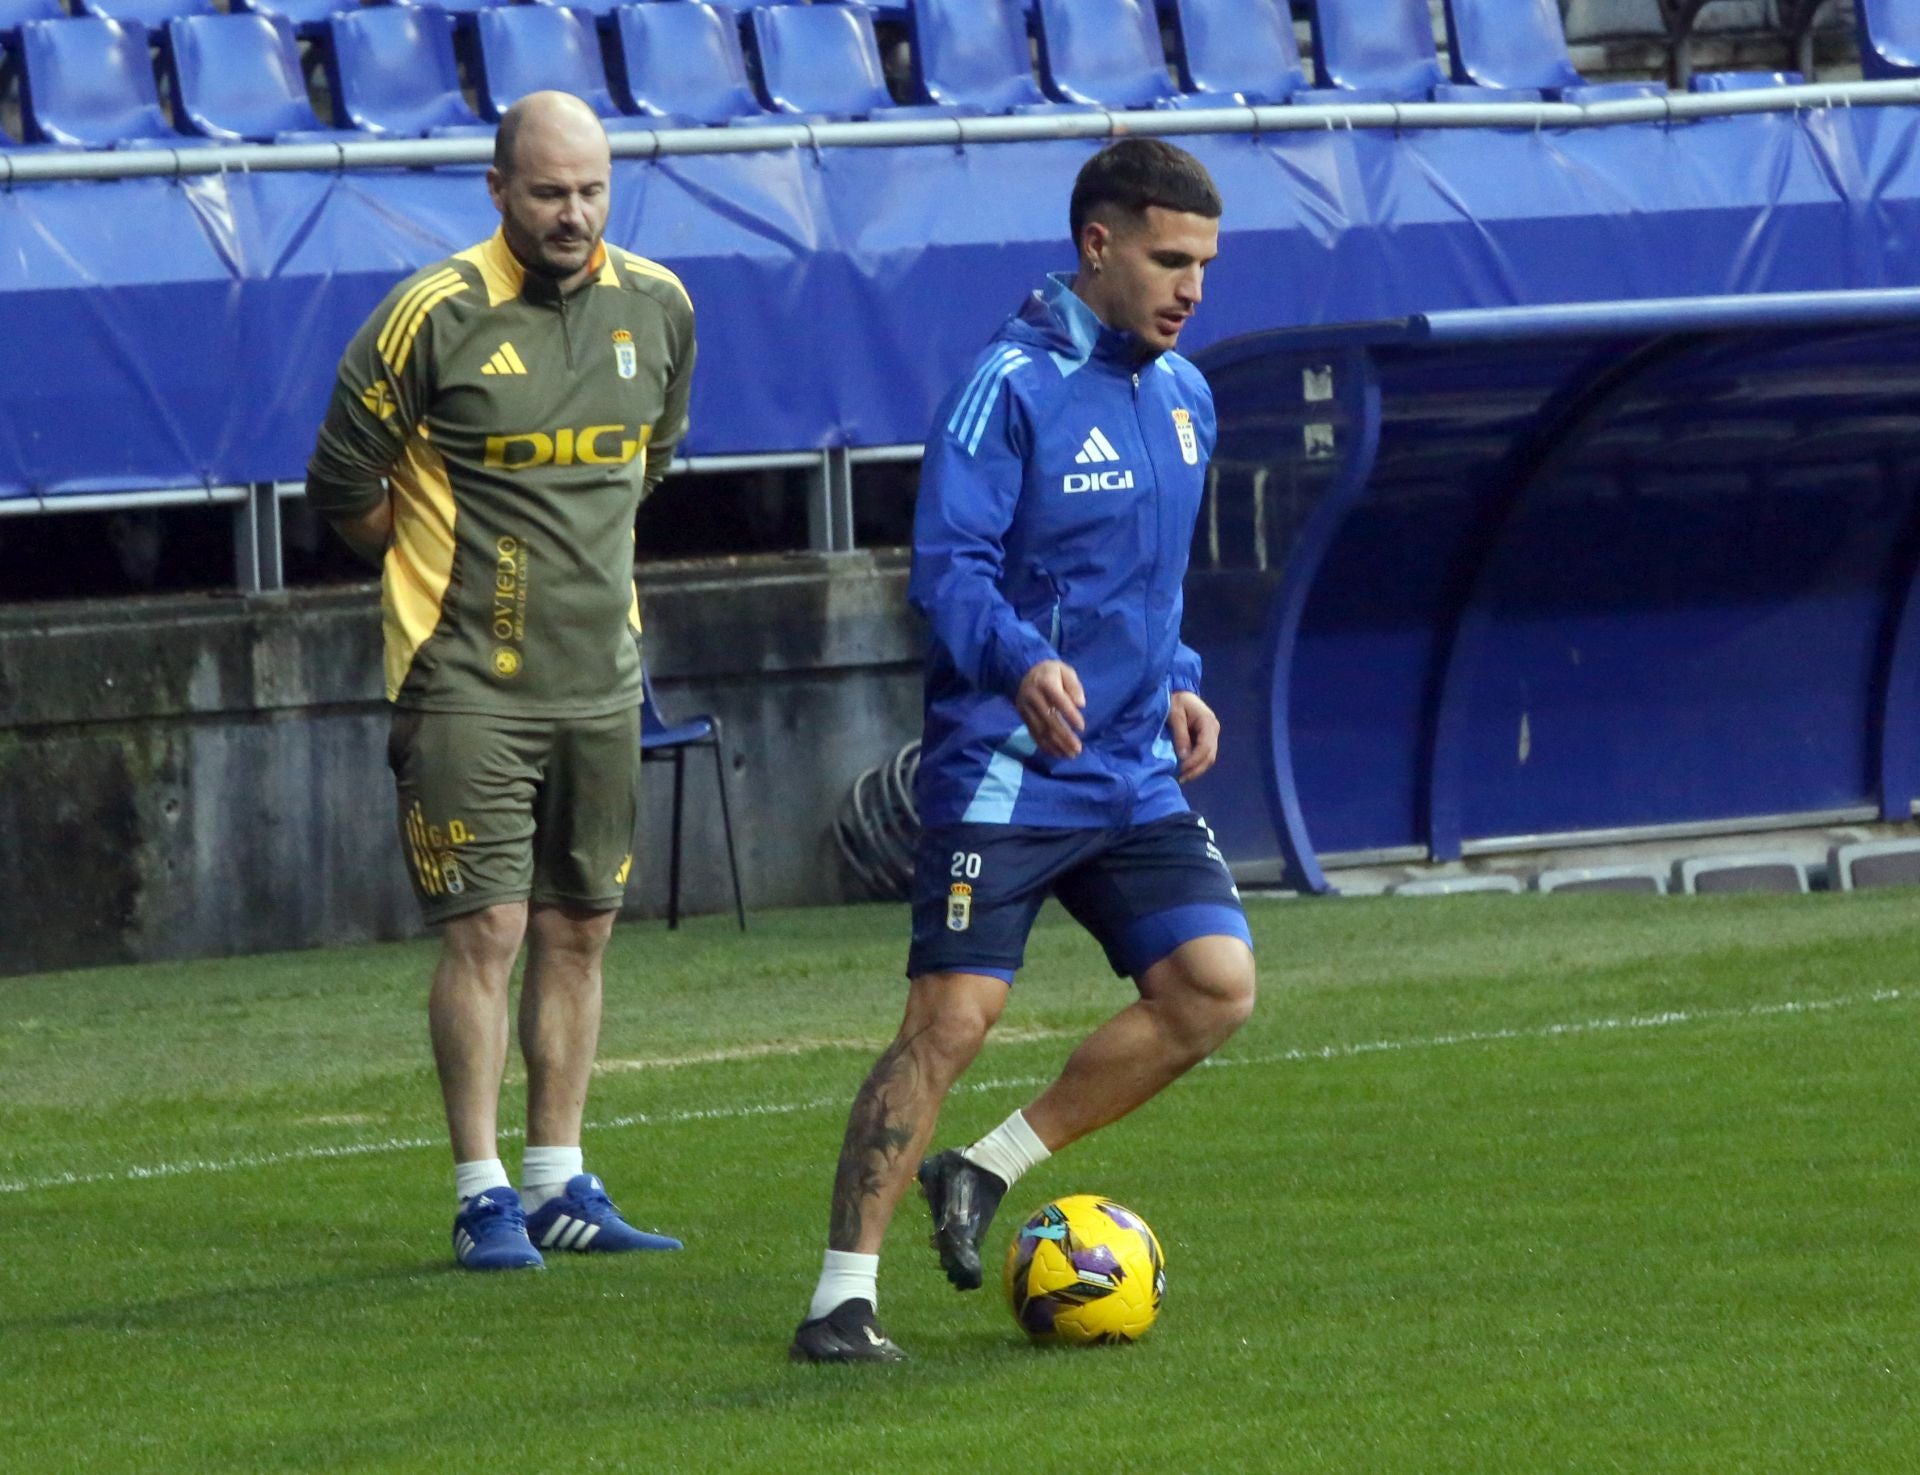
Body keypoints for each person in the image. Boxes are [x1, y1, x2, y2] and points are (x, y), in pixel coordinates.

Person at [791, 139, 1256, 1362]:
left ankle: (987, 1166)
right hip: (1008, 763)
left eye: (1205, 263)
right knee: (950, 1019)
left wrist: (1183, 683)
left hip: (1129, 770)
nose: (1191, 287)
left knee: (1214, 988)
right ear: (1098, 245)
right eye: (1170, 259)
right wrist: (1018, 662)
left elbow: (1142, 588)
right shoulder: (1008, 386)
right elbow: (946, 571)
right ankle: (840, 1299)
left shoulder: (1185, 396)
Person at [304, 92, 695, 1271]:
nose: (572, 214)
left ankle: (560, 1179)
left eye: (591, 190)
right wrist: (436, 578)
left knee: (582, 926)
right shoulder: (431, 316)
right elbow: (342, 487)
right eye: (547, 193)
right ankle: (482, 1192)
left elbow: (650, 465)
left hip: (602, 680)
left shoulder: (662, 308)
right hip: (464, 678)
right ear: (496, 189)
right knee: (489, 927)